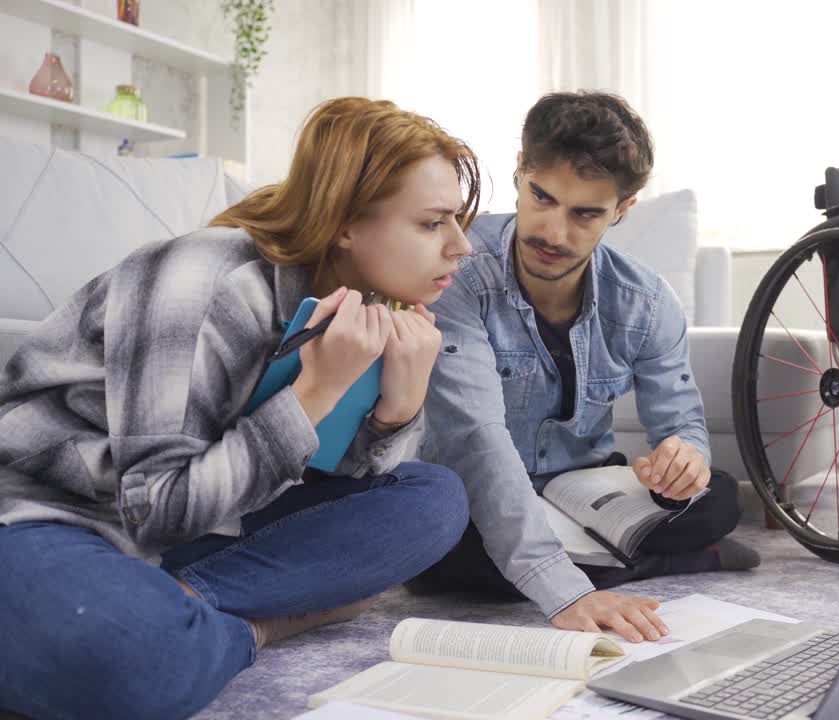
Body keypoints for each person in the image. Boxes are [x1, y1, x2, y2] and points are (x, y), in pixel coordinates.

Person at [0, 97, 477, 720]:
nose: (462, 247)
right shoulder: (199, 277)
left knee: (436, 498)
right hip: (61, 513)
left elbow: (337, 478)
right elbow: (156, 509)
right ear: (346, 224)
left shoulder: (361, 306)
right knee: (138, 660)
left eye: (459, 222)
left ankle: (180, 604)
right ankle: (253, 627)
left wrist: (397, 414)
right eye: (432, 223)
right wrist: (313, 393)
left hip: (208, 522)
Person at [407, 91, 758, 644]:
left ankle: (593, 562)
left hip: (582, 492)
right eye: (541, 197)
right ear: (520, 173)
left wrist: (682, 462)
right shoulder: (458, 271)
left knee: (716, 496)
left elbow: (682, 426)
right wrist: (564, 591)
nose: (553, 233)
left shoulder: (646, 302)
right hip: (480, 487)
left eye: (585, 213)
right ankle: (655, 564)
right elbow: (476, 438)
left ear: (623, 209)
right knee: (436, 544)